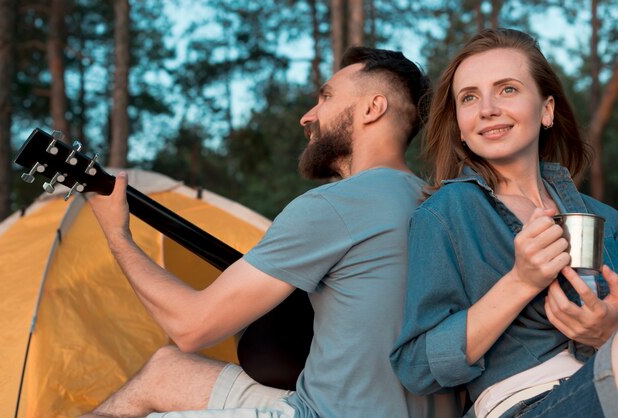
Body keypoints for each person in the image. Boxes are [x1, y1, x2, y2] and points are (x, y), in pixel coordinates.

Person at [83, 47, 463, 418]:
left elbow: (191, 327)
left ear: (372, 108)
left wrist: (117, 234)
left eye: (326, 97)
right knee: (165, 370)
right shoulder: (439, 204)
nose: (307, 116)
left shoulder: (336, 205)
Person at [390, 28, 618, 418]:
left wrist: (607, 332)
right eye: (469, 97)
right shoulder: (446, 214)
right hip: (527, 405)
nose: (487, 109)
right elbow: (417, 366)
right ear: (460, 124)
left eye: (507, 89)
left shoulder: (607, 219)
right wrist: (521, 281)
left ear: (546, 110)